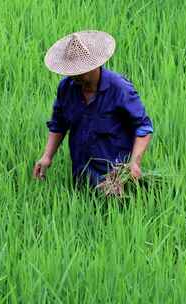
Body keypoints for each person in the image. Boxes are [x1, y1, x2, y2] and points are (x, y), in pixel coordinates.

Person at [33, 30, 153, 189]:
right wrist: (47, 156)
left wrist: (134, 163)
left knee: (115, 212)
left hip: (115, 179)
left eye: (80, 71)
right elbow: (59, 123)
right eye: (71, 71)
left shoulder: (119, 88)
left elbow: (143, 127)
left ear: (95, 65)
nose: (75, 76)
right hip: (81, 175)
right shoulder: (67, 87)